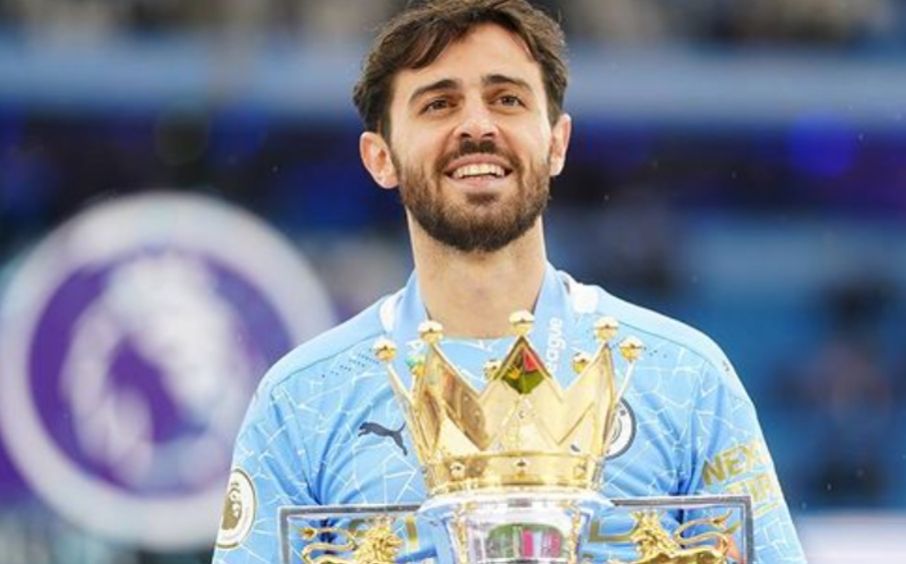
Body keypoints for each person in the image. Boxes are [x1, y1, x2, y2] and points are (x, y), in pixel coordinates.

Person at [212, 1, 806, 562]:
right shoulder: (303, 398)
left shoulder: (684, 377)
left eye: (507, 99)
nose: (477, 125)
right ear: (380, 158)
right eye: (438, 104)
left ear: (557, 143)